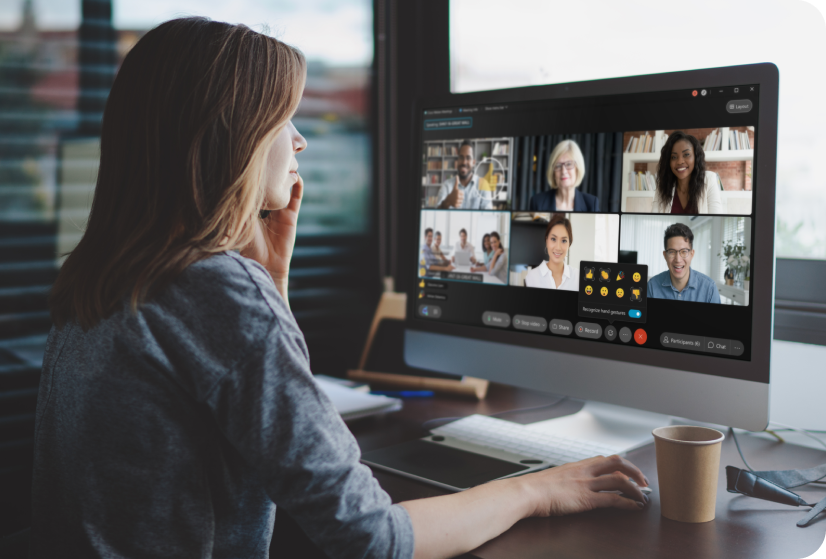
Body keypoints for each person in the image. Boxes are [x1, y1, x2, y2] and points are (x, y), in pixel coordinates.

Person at [33, 17, 649, 559]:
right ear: (233, 138)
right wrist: (537, 488)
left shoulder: (107, 274)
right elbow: (376, 541)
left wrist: (270, 282)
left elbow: (247, 407)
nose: (300, 140)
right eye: (283, 119)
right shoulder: (215, 292)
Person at [647, 223, 721, 303]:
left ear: (692, 254)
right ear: (665, 255)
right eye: (672, 252)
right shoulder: (652, 286)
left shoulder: (710, 289)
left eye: (684, 251)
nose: (678, 259)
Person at [652, 131, 723, 214]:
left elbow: (716, 216)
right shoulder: (663, 184)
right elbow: (655, 212)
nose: (680, 161)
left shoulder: (709, 179)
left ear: (696, 157)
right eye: (674, 157)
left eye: (686, 154)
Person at [529, 139, 599, 212]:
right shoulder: (537, 202)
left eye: (569, 164)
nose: (563, 171)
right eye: (558, 166)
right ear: (553, 172)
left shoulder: (591, 204)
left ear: (578, 169)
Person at [524, 214, 579, 290]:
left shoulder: (578, 277)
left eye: (563, 241)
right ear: (547, 241)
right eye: (553, 239)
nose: (558, 247)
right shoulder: (532, 277)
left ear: (569, 244)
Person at [435, 141, 493, 210]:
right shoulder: (446, 185)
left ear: (473, 162)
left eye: (468, 158)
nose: (464, 162)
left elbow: (488, 216)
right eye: (461, 157)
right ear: (457, 160)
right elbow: (436, 213)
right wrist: (448, 201)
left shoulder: (483, 184)